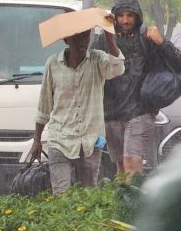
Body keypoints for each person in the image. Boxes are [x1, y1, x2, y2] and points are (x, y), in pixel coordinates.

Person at [92, 0, 181, 179]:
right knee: (121, 169)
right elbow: (89, 66)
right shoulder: (104, 39)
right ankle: (125, 205)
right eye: (121, 15)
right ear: (115, 17)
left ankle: (134, 203)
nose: (125, 20)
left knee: (132, 164)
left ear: (137, 16)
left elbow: (177, 63)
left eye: (129, 15)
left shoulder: (147, 38)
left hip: (139, 112)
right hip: (112, 113)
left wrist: (162, 42)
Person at [27, 28, 124, 194]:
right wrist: (37, 139)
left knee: (86, 196)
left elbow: (118, 68)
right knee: (61, 195)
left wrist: (109, 36)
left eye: (86, 36)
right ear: (66, 40)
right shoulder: (53, 64)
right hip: (60, 139)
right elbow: (44, 105)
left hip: (91, 142)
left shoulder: (98, 59)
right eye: (77, 38)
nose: (83, 42)